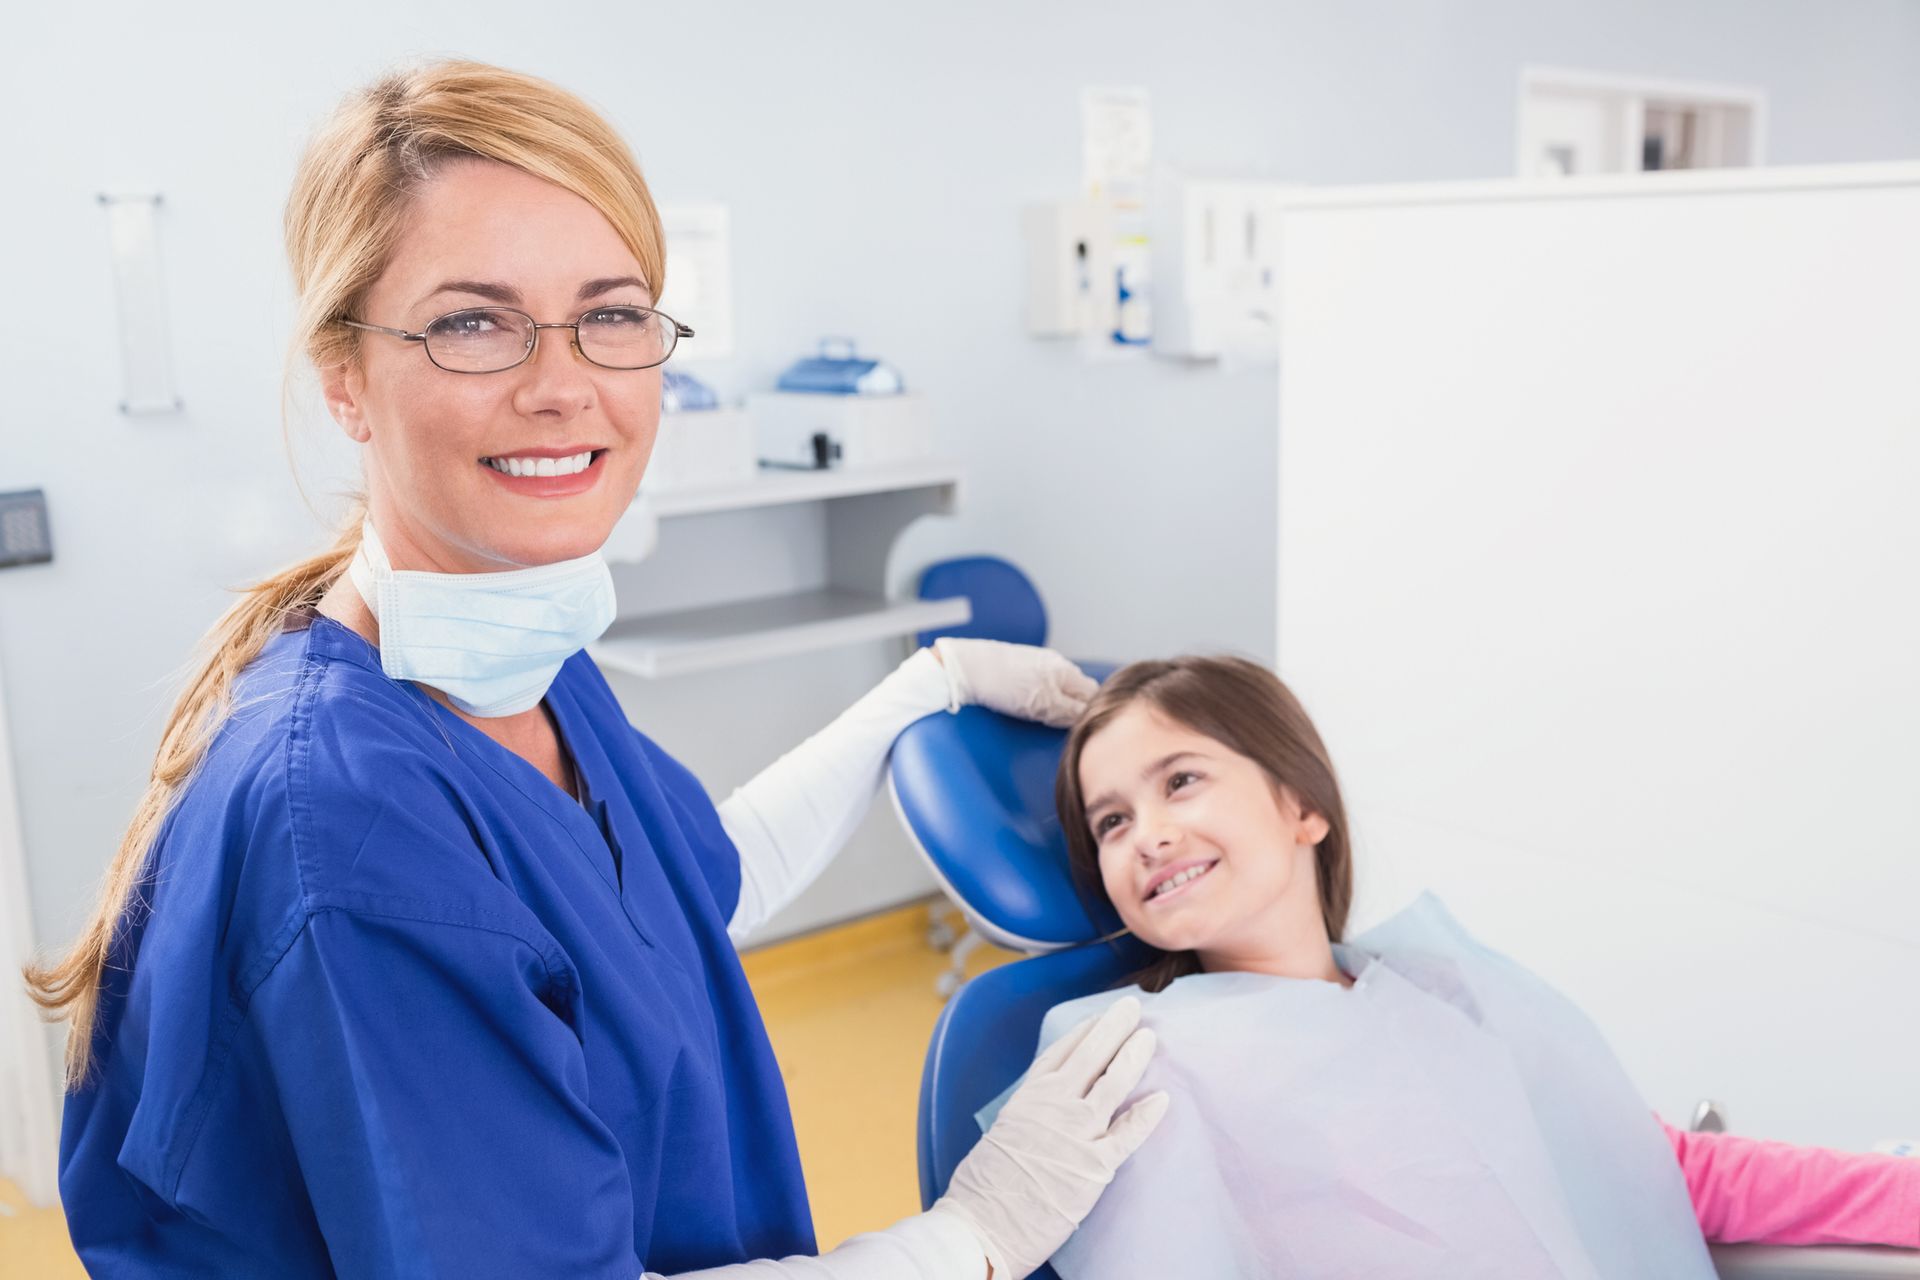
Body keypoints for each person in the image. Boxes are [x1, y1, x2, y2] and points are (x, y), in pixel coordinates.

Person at [24, 60, 1165, 1280]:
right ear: (344, 377)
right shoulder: (354, 825)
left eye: (612, 314)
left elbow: (677, 896)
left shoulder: (525, 657)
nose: (565, 384)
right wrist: (971, 1237)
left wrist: (914, 693)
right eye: (473, 321)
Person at [1028, 653, 1920, 1277]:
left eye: (1180, 780)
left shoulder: (1442, 990)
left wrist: (1901, 1194)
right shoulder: (1142, 1067)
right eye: (1111, 822)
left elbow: (1652, 1171)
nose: (1149, 834)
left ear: (1303, 806)